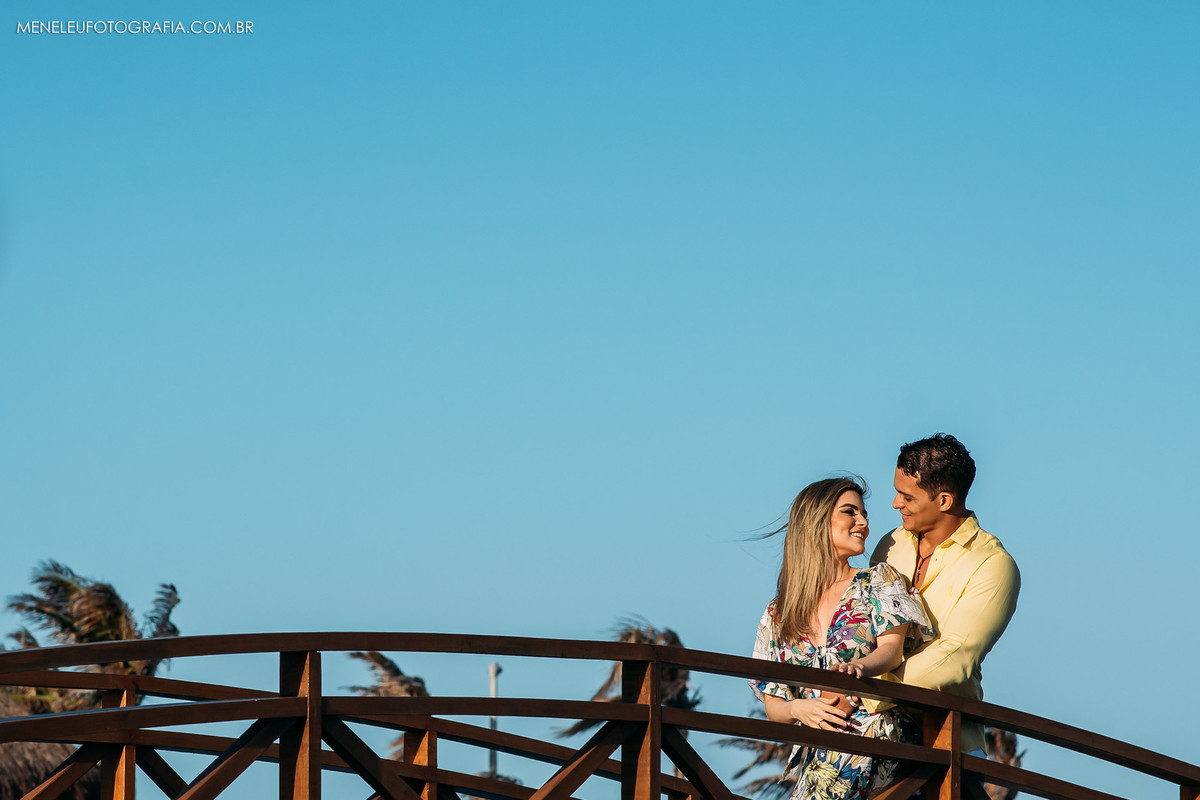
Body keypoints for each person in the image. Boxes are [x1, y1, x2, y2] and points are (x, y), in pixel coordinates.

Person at [750, 476, 933, 800]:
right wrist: (799, 710)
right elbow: (774, 703)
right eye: (850, 512)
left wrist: (857, 668)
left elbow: (891, 650)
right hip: (818, 753)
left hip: (874, 732)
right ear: (817, 521)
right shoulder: (780, 611)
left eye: (864, 514)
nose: (863, 522)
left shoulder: (876, 581)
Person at [867, 433, 1020, 755]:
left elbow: (957, 657)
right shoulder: (889, 544)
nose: (896, 504)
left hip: (947, 747)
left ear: (945, 501)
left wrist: (863, 694)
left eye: (907, 497)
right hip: (867, 735)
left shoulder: (993, 565)